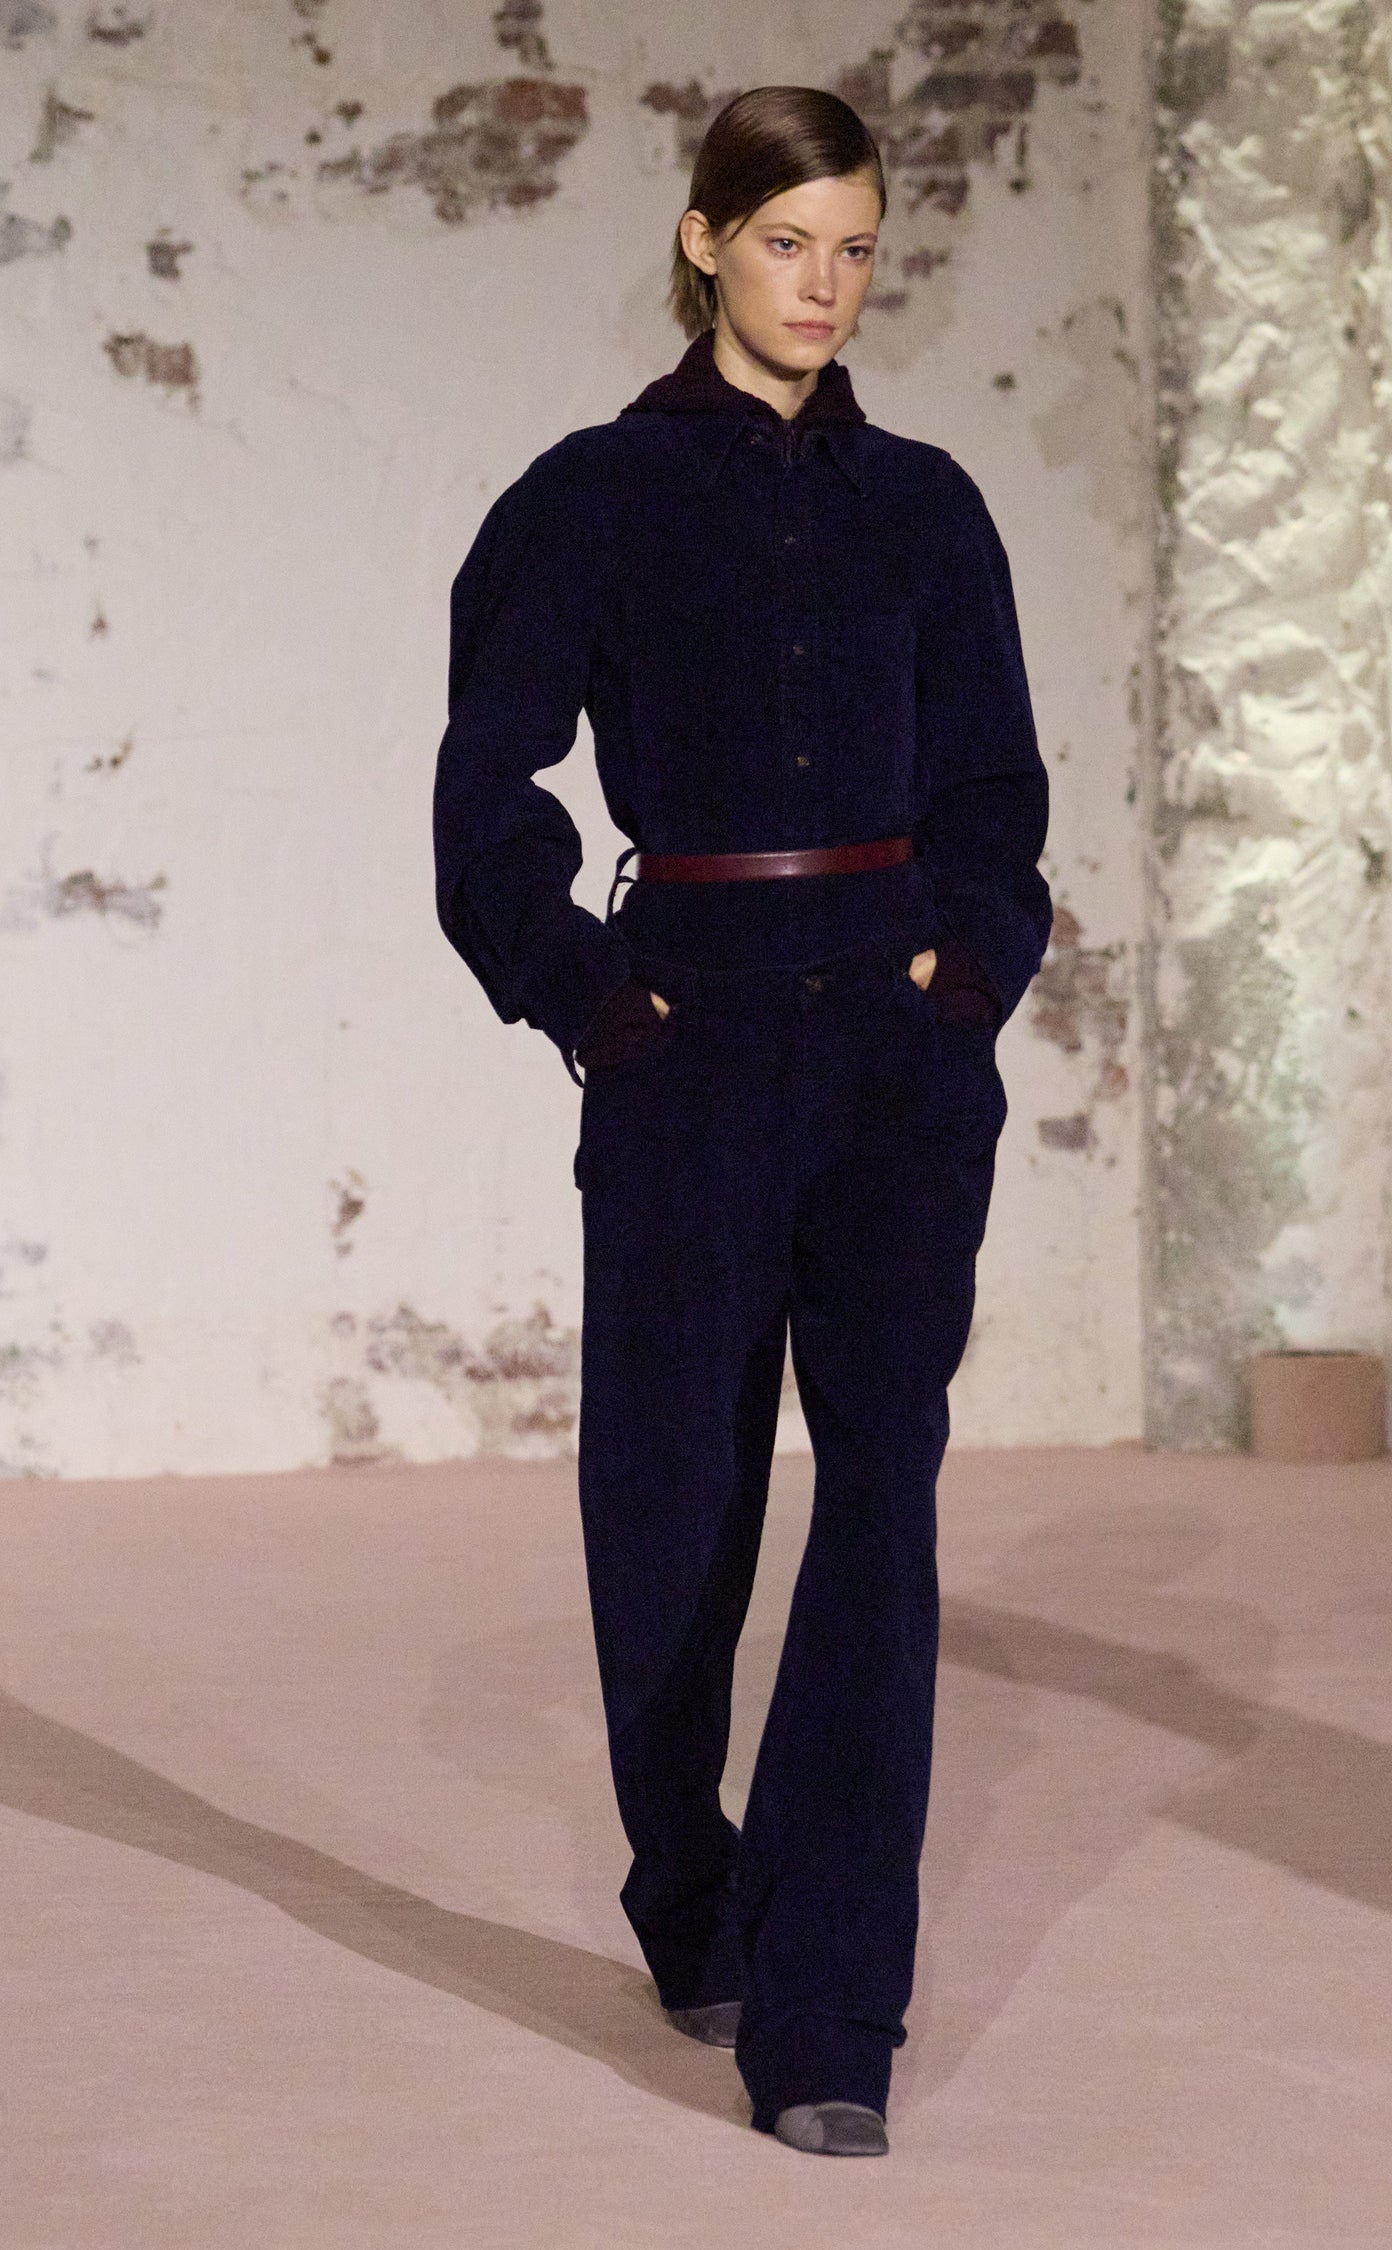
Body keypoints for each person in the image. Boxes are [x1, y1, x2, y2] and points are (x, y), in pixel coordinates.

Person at [432, 84, 1052, 2157]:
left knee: (881, 1497)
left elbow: (997, 795)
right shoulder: (587, 500)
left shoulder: (929, 510)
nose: (826, 285)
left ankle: (826, 2014)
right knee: (670, 1510)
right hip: (686, 1048)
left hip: (893, 1056)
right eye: (790, 243)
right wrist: (593, 1000)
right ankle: (688, 1882)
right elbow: (487, 792)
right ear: (704, 241)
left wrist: (962, 974)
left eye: (857, 249)